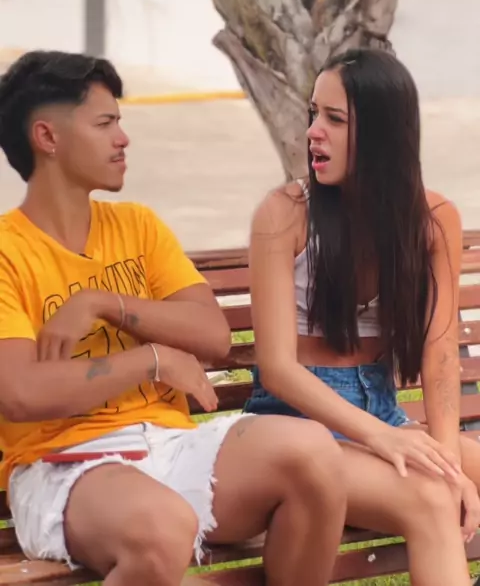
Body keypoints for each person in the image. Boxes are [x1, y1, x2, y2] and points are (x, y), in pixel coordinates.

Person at [0, 50, 349, 586]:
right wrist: (152, 360)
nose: (123, 139)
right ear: (47, 137)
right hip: (64, 464)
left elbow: (212, 335)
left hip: (169, 445)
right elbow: (21, 393)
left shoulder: (138, 227)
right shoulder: (8, 251)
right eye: (105, 123)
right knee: (163, 528)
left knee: (314, 453)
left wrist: (103, 302)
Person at [246, 48, 480, 586]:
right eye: (314, 114)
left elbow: (440, 354)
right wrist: (384, 440)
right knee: (431, 500)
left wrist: (447, 462)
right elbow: (277, 369)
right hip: (295, 425)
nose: (313, 133)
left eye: (335, 119)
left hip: (382, 412)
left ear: (383, 133)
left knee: (450, 479)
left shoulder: (433, 219)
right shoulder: (285, 213)